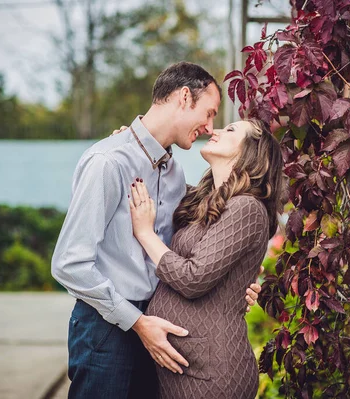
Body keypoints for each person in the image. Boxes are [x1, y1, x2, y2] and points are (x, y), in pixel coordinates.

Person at [51, 62, 261, 398]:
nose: (209, 127)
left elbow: (210, 238)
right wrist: (136, 322)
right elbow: (68, 264)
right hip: (107, 326)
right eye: (208, 113)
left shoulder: (175, 173)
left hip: (157, 327)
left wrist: (237, 282)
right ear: (183, 97)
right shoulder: (108, 161)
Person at [128, 118, 284, 399]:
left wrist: (144, 233)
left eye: (231, 129)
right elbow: (159, 187)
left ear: (251, 151)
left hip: (212, 372)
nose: (216, 130)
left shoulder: (246, 208)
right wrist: (130, 146)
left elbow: (193, 278)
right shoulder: (205, 200)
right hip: (185, 364)